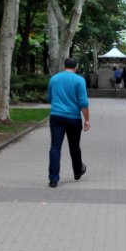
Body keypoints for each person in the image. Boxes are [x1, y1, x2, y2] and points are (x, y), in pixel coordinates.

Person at [47, 57, 90, 188]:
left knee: (55, 146)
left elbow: (49, 97)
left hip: (56, 116)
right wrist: (87, 119)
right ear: (76, 67)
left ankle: (53, 179)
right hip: (73, 118)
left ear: (64, 66)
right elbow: (83, 102)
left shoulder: (54, 79)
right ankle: (77, 171)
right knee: (74, 146)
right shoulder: (80, 80)